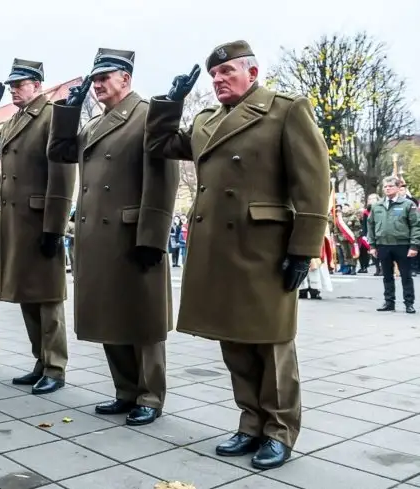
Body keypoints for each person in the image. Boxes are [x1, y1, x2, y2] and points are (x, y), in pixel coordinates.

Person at [145, 41, 329, 469]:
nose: (218, 80)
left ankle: (280, 431)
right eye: (214, 75)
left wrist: (303, 249)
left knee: (271, 342)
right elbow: (159, 145)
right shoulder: (207, 120)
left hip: (264, 247)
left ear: (252, 71)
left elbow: (313, 183)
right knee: (234, 341)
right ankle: (250, 423)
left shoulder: (285, 109)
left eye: (227, 72)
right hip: (217, 249)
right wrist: (169, 103)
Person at [48, 48, 178, 425]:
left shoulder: (147, 115)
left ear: (127, 78)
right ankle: (125, 391)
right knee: (109, 315)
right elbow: (59, 152)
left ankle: (150, 396)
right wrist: (67, 111)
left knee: (142, 320)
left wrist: (152, 236)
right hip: (97, 238)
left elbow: (163, 179)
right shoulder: (93, 123)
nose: (97, 84)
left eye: (105, 77)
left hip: (132, 235)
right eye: (94, 79)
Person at [0, 59, 76, 395]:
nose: (14, 89)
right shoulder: (13, 121)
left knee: (47, 299)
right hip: (17, 224)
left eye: (20, 83)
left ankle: (55, 367)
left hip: (40, 222)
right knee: (28, 297)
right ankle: (40, 362)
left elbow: (63, 174)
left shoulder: (52, 115)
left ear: (38, 84)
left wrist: (55, 227)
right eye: (11, 85)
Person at [368, 176, 419, 314]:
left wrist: (414, 246)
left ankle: (409, 303)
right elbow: (370, 226)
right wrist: (372, 246)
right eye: (385, 186)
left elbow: (415, 225)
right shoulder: (377, 206)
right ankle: (389, 302)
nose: (387, 188)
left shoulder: (407, 204)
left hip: (402, 245)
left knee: (406, 276)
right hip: (383, 245)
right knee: (387, 276)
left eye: (390, 186)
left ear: (397, 188)